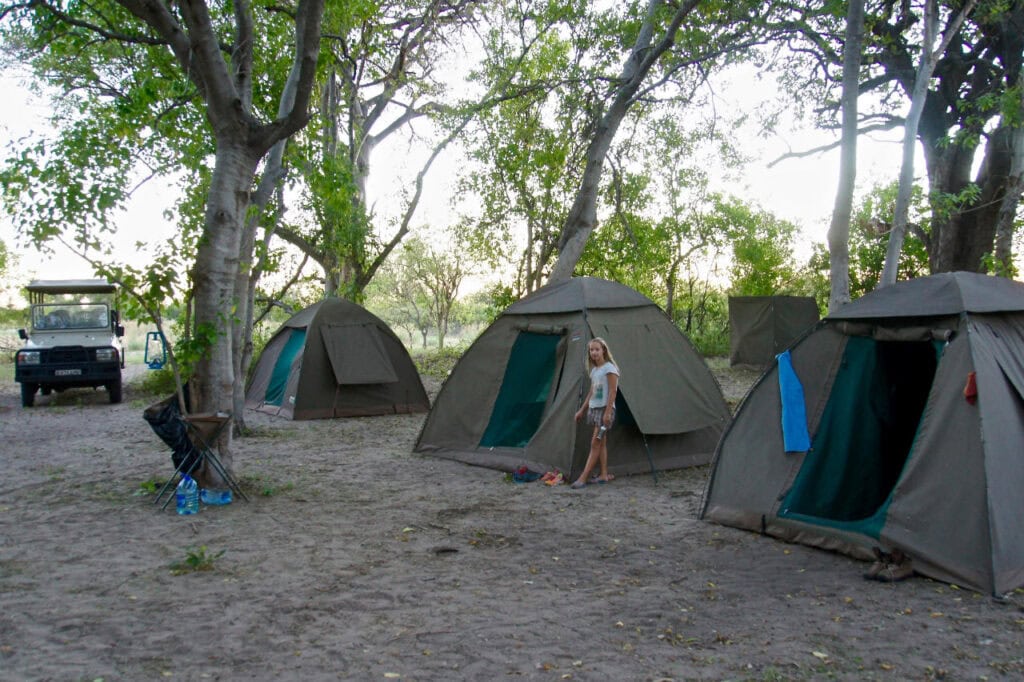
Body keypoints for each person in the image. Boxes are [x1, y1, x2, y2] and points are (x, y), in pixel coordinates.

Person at [571, 337, 619, 488]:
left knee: (595, 443)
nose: (594, 353)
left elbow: (613, 391)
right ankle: (603, 475)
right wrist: (582, 410)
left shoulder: (610, 368)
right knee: (601, 443)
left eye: (597, 349)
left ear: (603, 350)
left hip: (605, 410)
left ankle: (583, 478)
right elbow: (592, 392)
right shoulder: (594, 371)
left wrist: (608, 412)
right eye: (591, 350)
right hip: (594, 409)